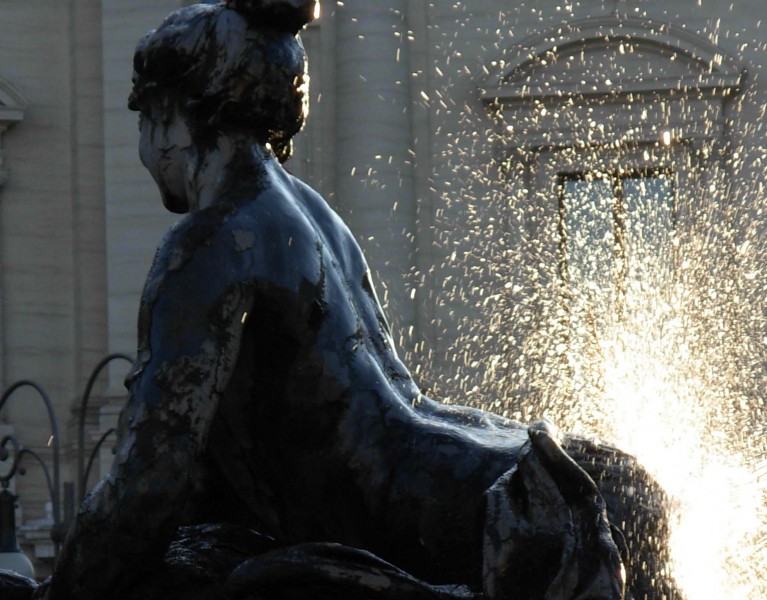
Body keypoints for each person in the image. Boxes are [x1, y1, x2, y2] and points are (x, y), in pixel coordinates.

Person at [44, 2, 647, 598]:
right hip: (505, 469)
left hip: (447, 521)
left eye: (144, 122)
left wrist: (62, 588)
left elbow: (151, 480)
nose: (146, 154)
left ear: (175, 117)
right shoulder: (314, 216)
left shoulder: (211, 241)